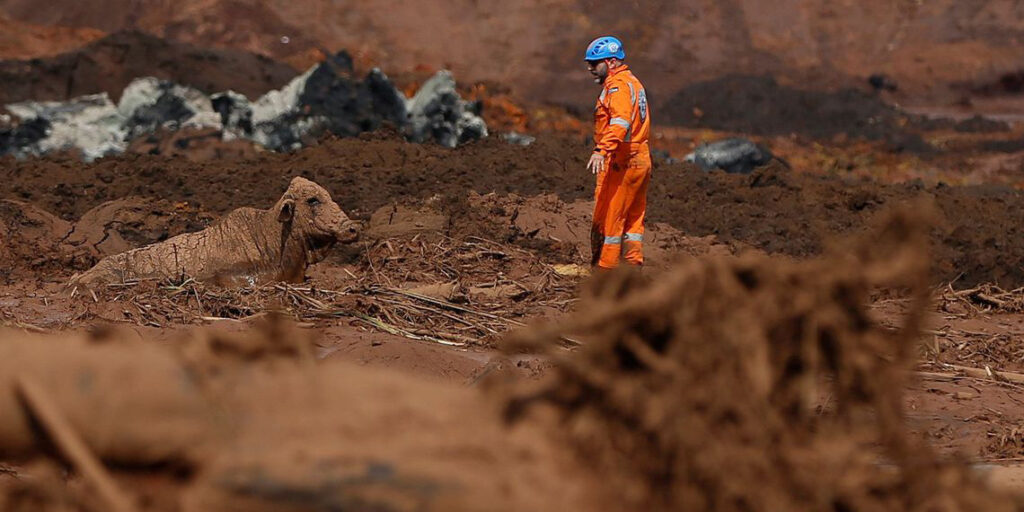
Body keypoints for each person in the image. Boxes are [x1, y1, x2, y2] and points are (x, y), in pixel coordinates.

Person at [584, 36, 651, 270]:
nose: (590, 69)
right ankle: (633, 268)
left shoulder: (618, 86)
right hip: (640, 158)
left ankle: (606, 272)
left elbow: (620, 123)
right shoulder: (633, 82)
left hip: (625, 160)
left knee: (612, 219)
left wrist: (602, 150)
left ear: (611, 62)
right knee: (633, 218)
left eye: (595, 63)